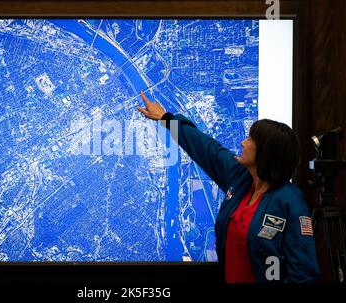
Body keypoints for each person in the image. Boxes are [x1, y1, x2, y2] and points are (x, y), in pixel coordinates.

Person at [137, 91, 320, 283]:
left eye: (250, 140)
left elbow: (304, 274)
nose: (243, 142)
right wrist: (167, 119)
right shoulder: (241, 179)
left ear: (264, 152)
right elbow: (205, 148)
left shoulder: (290, 202)